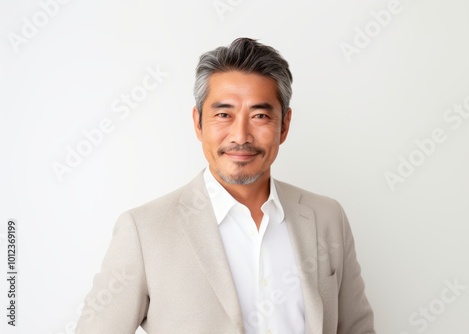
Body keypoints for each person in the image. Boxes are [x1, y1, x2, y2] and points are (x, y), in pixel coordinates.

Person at [75, 37, 376, 334]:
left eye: (259, 115)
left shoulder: (327, 217)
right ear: (198, 123)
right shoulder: (144, 230)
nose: (241, 135)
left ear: (284, 125)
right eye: (223, 115)